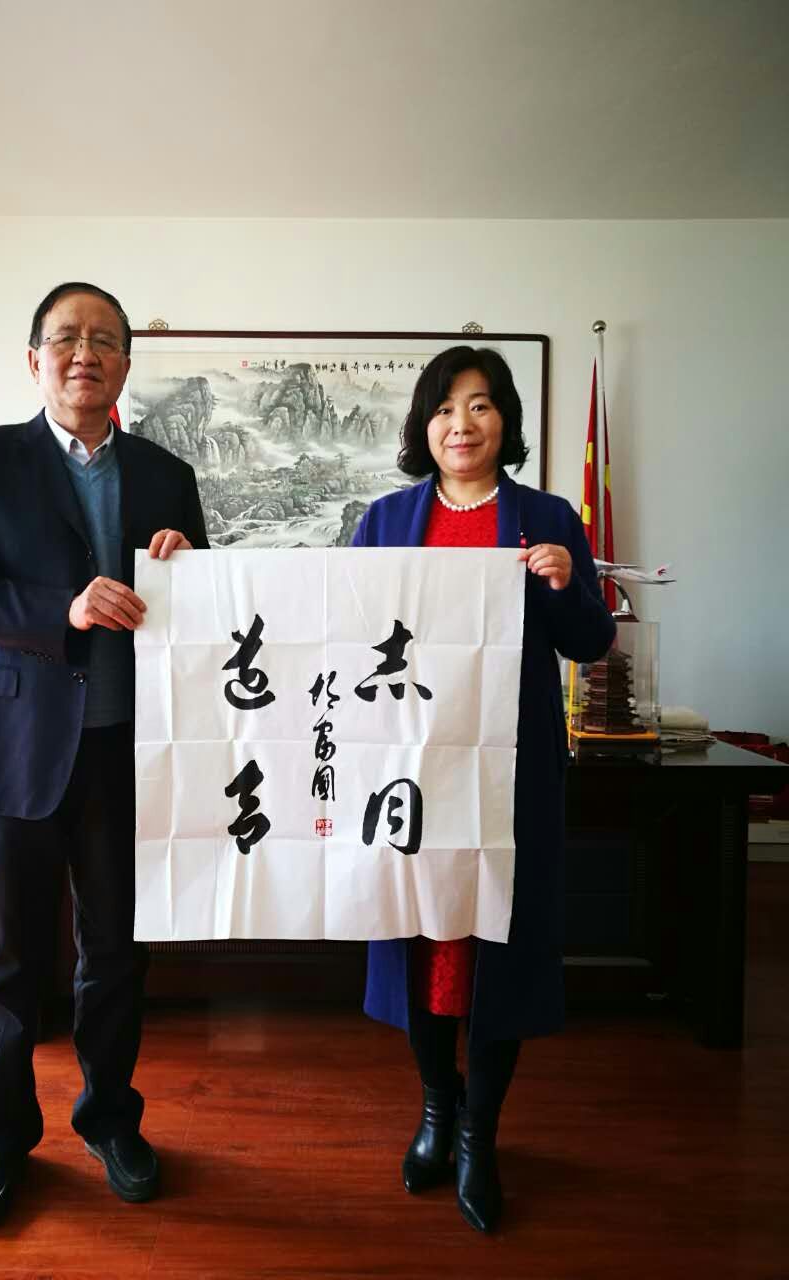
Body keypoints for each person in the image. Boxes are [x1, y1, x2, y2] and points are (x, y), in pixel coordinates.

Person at [0, 282, 209, 1233]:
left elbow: (205, 601)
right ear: (34, 359)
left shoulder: (166, 472)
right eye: (66, 338)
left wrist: (184, 562)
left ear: (125, 363)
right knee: (9, 958)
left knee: (117, 953)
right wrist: (65, 608)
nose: (85, 353)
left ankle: (110, 1119)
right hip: (13, 748)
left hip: (131, 749)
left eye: (104, 340)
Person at [352, 345, 615, 1233]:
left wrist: (566, 582)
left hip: (511, 770)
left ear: (505, 419)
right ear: (422, 427)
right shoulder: (386, 519)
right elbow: (343, 635)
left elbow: (591, 642)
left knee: (500, 944)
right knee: (424, 941)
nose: (460, 425)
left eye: (479, 405)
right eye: (443, 409)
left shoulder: (547, 517)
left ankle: (480, 1136)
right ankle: (437, 1109)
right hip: (411, 773)